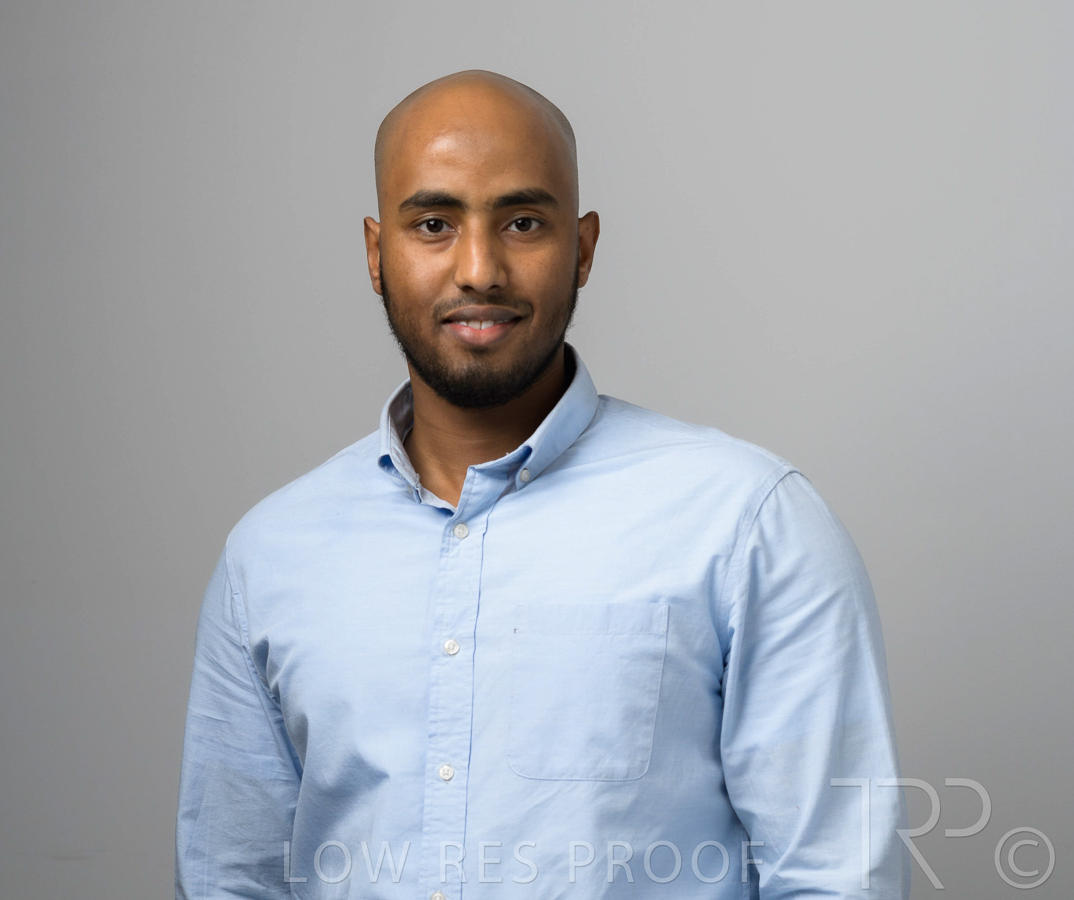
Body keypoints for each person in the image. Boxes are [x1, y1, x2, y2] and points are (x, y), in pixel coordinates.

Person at [176, 70, 909, 899]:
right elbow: (229, 878)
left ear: (583, 249)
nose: (478, 269)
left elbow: (833, 875)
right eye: (433, 224)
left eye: (522, 222)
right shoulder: (271, 555)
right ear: (377, 254)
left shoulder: (747, 523)